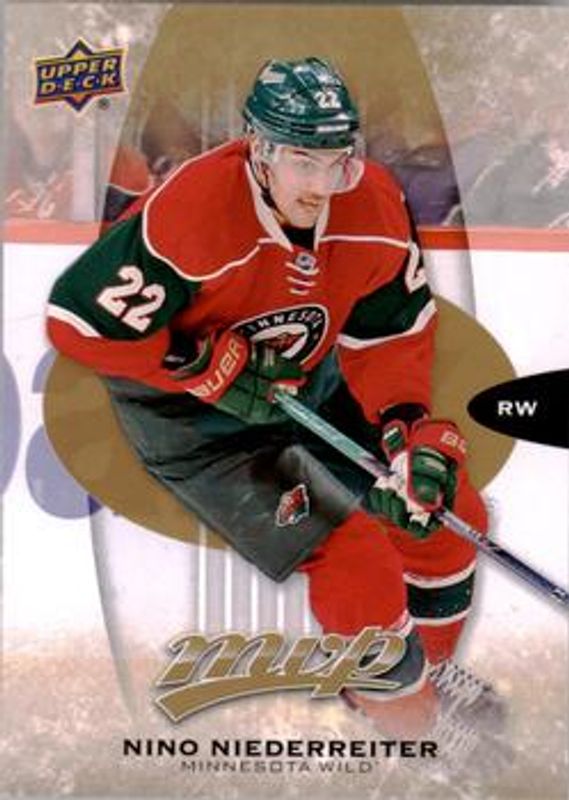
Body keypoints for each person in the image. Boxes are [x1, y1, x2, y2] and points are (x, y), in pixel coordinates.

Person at [46, 57, 499, 747]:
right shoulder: (195, 210)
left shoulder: (372, 205)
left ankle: (423, 678)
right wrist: (196, 366)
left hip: (301, 382)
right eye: (301, 161)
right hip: (193, 422)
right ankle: (415, 734)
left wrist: (404, 428)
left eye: (336, 161)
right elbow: (77, 322)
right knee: (354, 554)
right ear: (259, 150)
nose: (320, 185)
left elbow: (391, 333)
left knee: (446, 510)